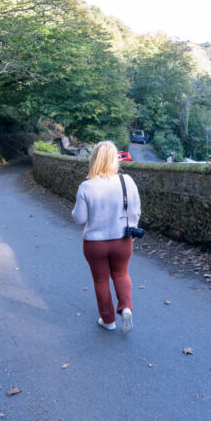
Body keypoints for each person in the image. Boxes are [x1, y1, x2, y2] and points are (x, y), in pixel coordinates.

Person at [71, 141, 141, 334]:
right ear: (115, 159)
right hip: (122, 239)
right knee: (121, 273)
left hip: (95, 243)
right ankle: (126, 307)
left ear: (94, 160)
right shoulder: (127, 181)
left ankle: (108, 320)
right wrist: (132, 230)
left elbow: (79, 218)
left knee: (101, 280)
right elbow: (135, 211)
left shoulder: (86, 186)